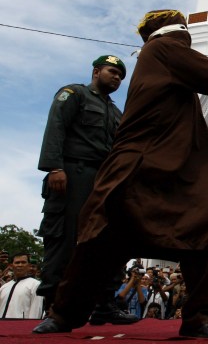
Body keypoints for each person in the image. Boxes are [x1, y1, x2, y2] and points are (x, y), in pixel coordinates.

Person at [33, 10, 208, 339]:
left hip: (181, 168)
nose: (185, 35)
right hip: (139, 165)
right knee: (100, 236)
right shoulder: (162, 51)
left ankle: (198, 318)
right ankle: (63, 314)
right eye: (181, 31)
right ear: (168, 34)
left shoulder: (166, 65)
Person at [36, 55, 136, 324]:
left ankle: (105, 304)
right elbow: (56, 127)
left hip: (103, 181)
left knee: (108, 242)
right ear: (96, 71)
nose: (116, 78)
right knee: (65, 239)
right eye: (112, 71)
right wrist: (54, 167)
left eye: (120, 76)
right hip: (73, 174)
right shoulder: (74, 94)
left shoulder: (116, 112)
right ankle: (54, 310)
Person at [0, 253, 45, 319]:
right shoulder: (4, 287)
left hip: (21, 327)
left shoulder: (35, 284)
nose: (20, 265)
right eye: (17, 263)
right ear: (11, 266)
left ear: (29, 265)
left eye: (23, 262)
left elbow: (36, 311)